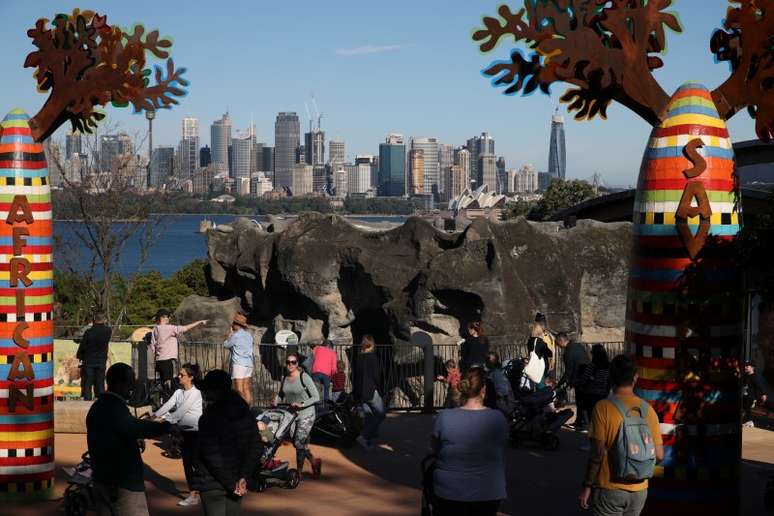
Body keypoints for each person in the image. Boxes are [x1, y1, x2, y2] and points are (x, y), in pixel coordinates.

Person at [579, 354, 664, 516]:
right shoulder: (648, 410)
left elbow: (597, 454)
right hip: (639, 491)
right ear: (636, 377)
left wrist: (587, 485)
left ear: (611, 377)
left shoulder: (602, 408)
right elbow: (659, 455)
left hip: (609, 488)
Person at [86, 363, 172, 516]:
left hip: (102, 478)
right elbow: (134, 427)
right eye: (130, 382)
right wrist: (167, 427)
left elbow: (117, 431)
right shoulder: (114, 408)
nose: (132, 387)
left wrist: (133, 437)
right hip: (121, 484)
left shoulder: (99, 406)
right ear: (120, 384)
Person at [431, 367, 508, 515]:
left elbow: (435, 448)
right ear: (483, 390)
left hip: (449, 490)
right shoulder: (497, 418)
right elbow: (501, 445)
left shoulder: (444, 417)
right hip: (487, 490)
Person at [193, 369, 260, 516]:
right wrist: (243, 477)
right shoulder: (245, 413)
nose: (205, 393)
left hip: (213, 483)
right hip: (236, 480)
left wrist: (232, 483)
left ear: (215, 391)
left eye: (207, 389)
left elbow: (212, 456)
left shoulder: (208, 418)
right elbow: (255, 446)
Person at [152, 363, 203, 507]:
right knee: (187, 463)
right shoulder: (178, 392)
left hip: (196, 433)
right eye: (179, 374)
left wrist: (163, 419)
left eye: (182, 375)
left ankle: (198, 493)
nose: (179, 376)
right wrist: (154, 415)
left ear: (191, 377)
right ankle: (194, 493)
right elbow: (168, 405)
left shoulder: (195, 393)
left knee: (196, 464)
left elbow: (181, 412)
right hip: (183, 433)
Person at [275, 351, 322, 479]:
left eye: (293, 362)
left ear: (297, 364)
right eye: (288, 362)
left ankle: (299, 472)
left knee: (298, 442)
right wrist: (276, 401)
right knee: (298, 444)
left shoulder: (304, 377)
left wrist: (302, 404)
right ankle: (314, 461)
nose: (290, 365)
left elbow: (316, 397)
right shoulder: (285, 378)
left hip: (306, 414)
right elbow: (281, 394)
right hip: (292, 415)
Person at [150, 308, 207, 388]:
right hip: (166, 361)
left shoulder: (155, 329)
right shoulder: (167, 328)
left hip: (159, 361)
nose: (168, 318)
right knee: (168, 384)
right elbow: (184, 328)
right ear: (162, 317)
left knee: (163, 383)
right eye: (167, 316)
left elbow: (153, 346)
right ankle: (167, 399)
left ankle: (162, 399)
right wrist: (199, 322)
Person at [354, 335, 386, 450]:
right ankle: (365, 436)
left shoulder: (359, 358)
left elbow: (355, 376)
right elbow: (376, 376)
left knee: (369, 416)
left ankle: (368, 440)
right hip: (371, 390)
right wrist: (380, 389)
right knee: (381, 414)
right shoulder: (372, 357)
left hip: (361, 392)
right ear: (372, 344)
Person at [576, 344, 611, 433]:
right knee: (602, 417)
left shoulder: (593, 366)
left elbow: (584, 379)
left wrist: (577, 383)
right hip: (604, 394)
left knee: (592, 418)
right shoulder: (608, 366)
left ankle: (592, 439)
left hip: (592, 394)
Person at [77, 312, 112, 401]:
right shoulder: (108, 331)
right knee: (100, 382)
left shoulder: (89, 332)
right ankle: (101, 401)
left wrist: (79, 355)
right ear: (104, 320)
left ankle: (87, 400)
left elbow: (83, 346)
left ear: (94, 320)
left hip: (89, 360)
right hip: (101, 360)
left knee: (88, 382)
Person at [224, 313, 254, 407]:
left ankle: (240, 410)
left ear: (236, 324)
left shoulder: (236, 336)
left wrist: (230, 334)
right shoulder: (249, 335)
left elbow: (226, 344)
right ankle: (247, 409)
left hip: (239, 364)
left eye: (233, 323)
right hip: (249, 363)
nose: (232, 325)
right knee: (246, 388)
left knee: (239, 390)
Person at [743, 361, 772, 427]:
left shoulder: (755, 377)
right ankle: (748, 421)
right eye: (745, 366)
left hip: (751, 396)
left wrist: (763, 394)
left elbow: (760, 386)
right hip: (745, 395)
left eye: (747, 366)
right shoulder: (746, 376)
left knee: (749, 409)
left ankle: (751, 422)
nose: (745, 367)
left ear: (752, 368)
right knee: (746, 409)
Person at [526, 322, 553, 388]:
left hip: (532, 366)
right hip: (540, 368)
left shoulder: (530, 341)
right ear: (539, 330)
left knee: (536, 386)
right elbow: (549, 353)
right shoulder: (541, 342)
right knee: (542, 388)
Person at [535, 312, 556, 382]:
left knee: (551, 383)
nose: (543, 325)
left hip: (550, 363)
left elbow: (552, 349)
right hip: (542, 364)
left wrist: (552, 361)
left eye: (543, 322)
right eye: (540, 323)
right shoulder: (537, 336)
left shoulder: (549, 334)